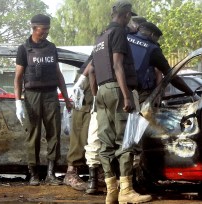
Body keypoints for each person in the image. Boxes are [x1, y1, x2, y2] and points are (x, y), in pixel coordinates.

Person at [89, 1, 152, 203]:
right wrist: (126, 95)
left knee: (105, 143)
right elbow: (117, 65)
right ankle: (126, 191)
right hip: (118, 89)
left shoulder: (101, 37)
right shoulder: (119, 34)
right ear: (125, 15)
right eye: (129, 17)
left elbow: (90, 70)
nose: (129, 21)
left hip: (102, 92)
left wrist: (96, 96)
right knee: (126, 140)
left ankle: (111, 192)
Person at [14, 14, 72, 186]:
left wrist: (66, 98)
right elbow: (18, 77)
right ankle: (34, 174)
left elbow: (58, 73)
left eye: (48, 29)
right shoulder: (23, 49)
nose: (46, 32)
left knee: (54, 133)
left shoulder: (51, 47)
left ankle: (51, 173)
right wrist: (18, 102)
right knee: (34, 135)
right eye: (43, 29)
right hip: (32, 95)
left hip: (51, 95)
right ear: (34, 28)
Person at [128, 21, 195, 104]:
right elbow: (171, 76)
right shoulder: (152, 48)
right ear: (152, 35)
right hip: (136, 91)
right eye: (157, 39)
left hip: (114, 87)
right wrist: (191, 93)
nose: (157, 42)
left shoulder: (126, 36)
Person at [63, 56, 93, 191]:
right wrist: (82, 81)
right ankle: (71, 172)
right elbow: (95, 60)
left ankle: (97, 173)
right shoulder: (114, 37)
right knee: (81, 129)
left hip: (96, 79)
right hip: (88, 79)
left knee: (96, 132)